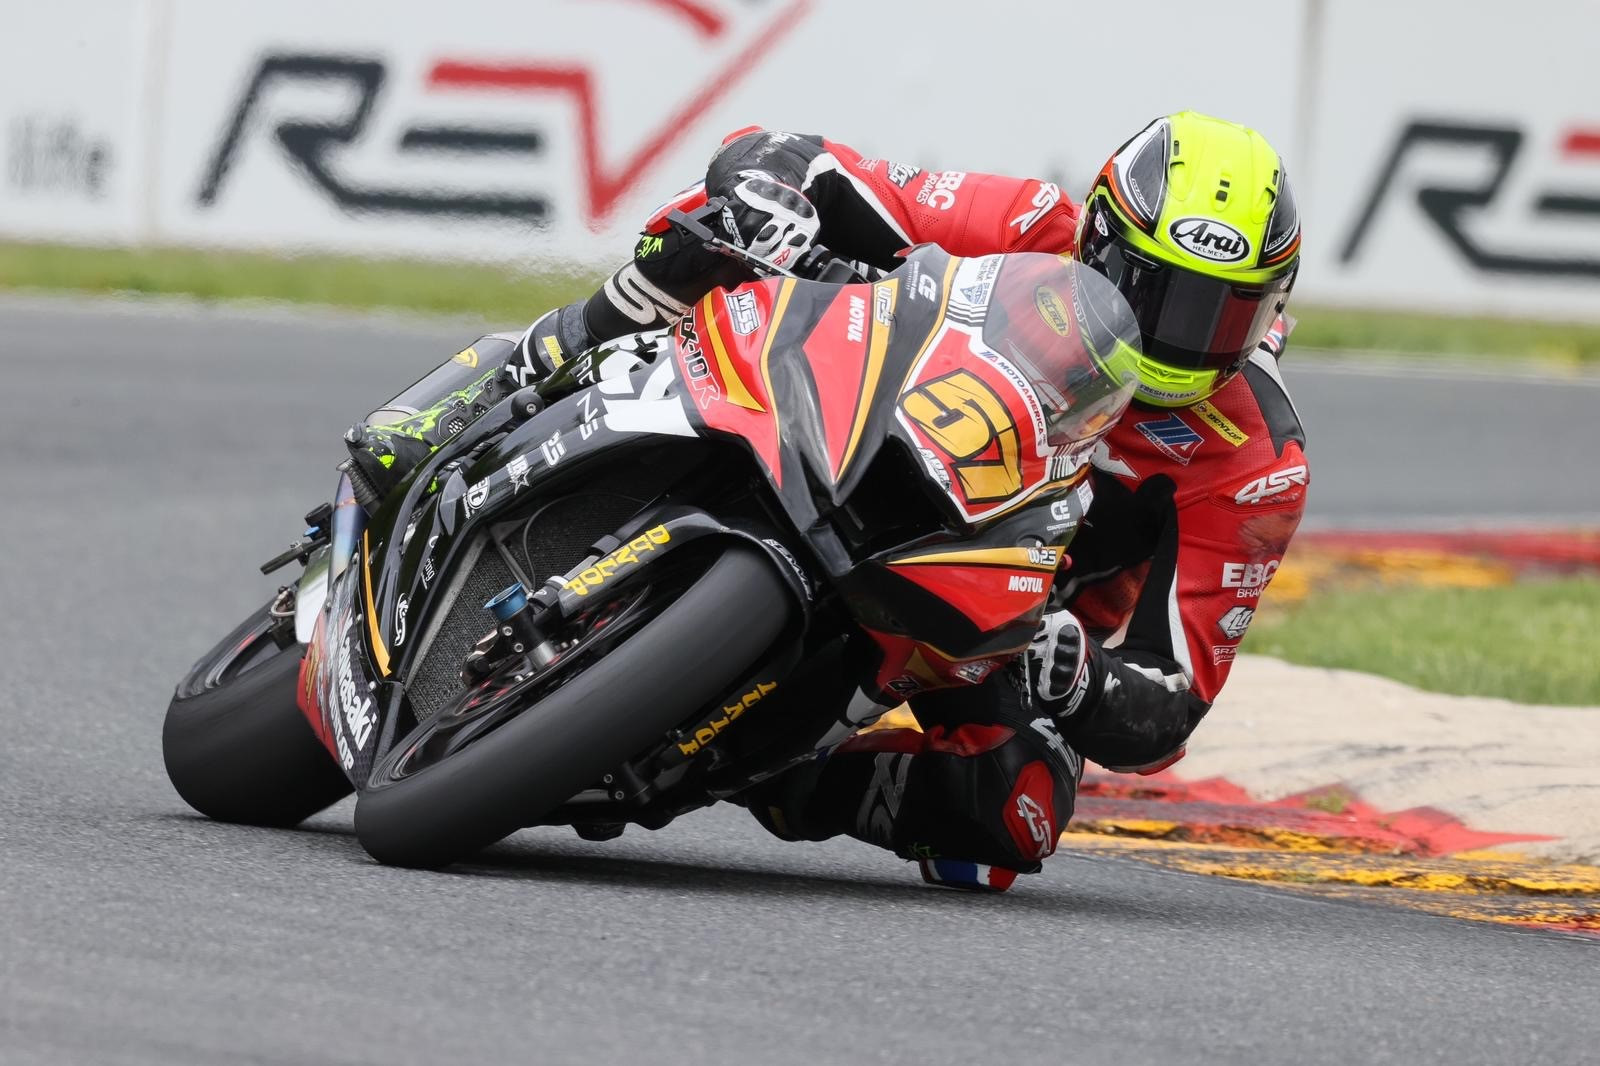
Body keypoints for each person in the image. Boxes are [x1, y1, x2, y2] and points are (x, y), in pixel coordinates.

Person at [344, 111, 1308, 892]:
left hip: (996, 611)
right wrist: (775, 190)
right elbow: (827, 166)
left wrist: (1080, 677)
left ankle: (784, 776)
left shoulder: (1253, 461)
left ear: (1270, 311)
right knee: (716, 238)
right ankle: (515, 377)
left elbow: (1172, 699)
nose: (1178, 344)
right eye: (1152, 292)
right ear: (1099, 239)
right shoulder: (1027, 225)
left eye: (1217, 315)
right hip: (847, 421)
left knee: (1008, 815)